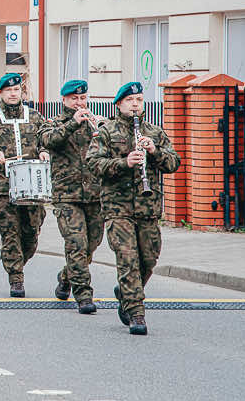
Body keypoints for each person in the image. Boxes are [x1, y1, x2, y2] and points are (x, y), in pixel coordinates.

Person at [86, 82, 180, 335]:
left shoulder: (155, 132)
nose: (135, 104)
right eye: (130, 100)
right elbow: (93, 163)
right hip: (117, 208)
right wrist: (124, 162)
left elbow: (173, 163)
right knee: (127, 259)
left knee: (148, 259)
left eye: (139, 99)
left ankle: (126, 291)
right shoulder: (107, 132)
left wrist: (154, 151)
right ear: (119, 104)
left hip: (148, 208)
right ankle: (136, 313)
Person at [39, 80, 104, 314]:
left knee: (91, 244)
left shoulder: (94, 123)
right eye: (74, 99)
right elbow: (49, 141)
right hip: (67, 195)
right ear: (64, 100)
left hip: (95, 195)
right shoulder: (53, 123)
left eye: (83, 98)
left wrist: (101, 128)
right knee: (76, 244)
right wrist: (72, 124)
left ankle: (66, 277)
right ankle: (84, 295)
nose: (79, 103)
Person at [0, 73, 50, 298]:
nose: (13, 94)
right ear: (1, 93)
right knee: (10, 232)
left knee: (31, 233)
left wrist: (43, 152)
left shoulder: (35, 116)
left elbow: (45, 140)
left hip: (32, 185)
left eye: (17, 90)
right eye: (8, 90)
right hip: (2, 185)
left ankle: (15, 259)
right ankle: (16, 277)